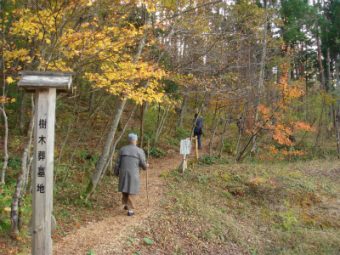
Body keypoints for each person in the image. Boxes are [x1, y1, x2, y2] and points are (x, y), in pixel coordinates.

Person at [114, 133, 148, 216]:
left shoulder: (122, 149)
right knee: (132, 190)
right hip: (134, 173)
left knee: (125, 188)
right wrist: (146, 166)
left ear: (128, 140)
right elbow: (143, 164)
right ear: (136, 140)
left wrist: (116, 172)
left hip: (123, 172)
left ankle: (126, 204)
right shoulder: (140, 151)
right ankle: (130, 210)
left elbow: (117, 163)